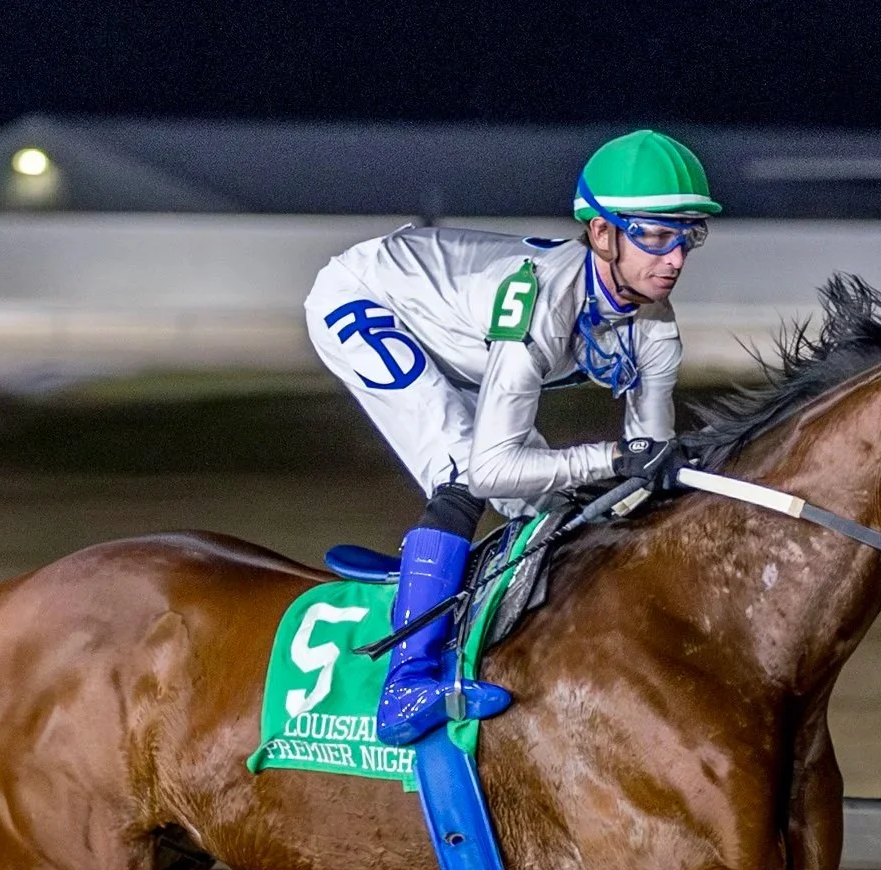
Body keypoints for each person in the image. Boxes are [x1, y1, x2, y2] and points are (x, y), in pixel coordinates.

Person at [305, 128, 721, 746]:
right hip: (370, 296)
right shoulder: (543, 301)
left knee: (545, 500)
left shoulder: (655, 329)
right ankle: (405, 683)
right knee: (462, 476)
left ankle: (469, 609)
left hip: (462, 330)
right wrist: (610, 456)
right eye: (656, 235)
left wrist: (646, 472)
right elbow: (493, 470)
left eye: (688, 235)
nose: (677, 258)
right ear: (602, 234)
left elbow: (642, 470)